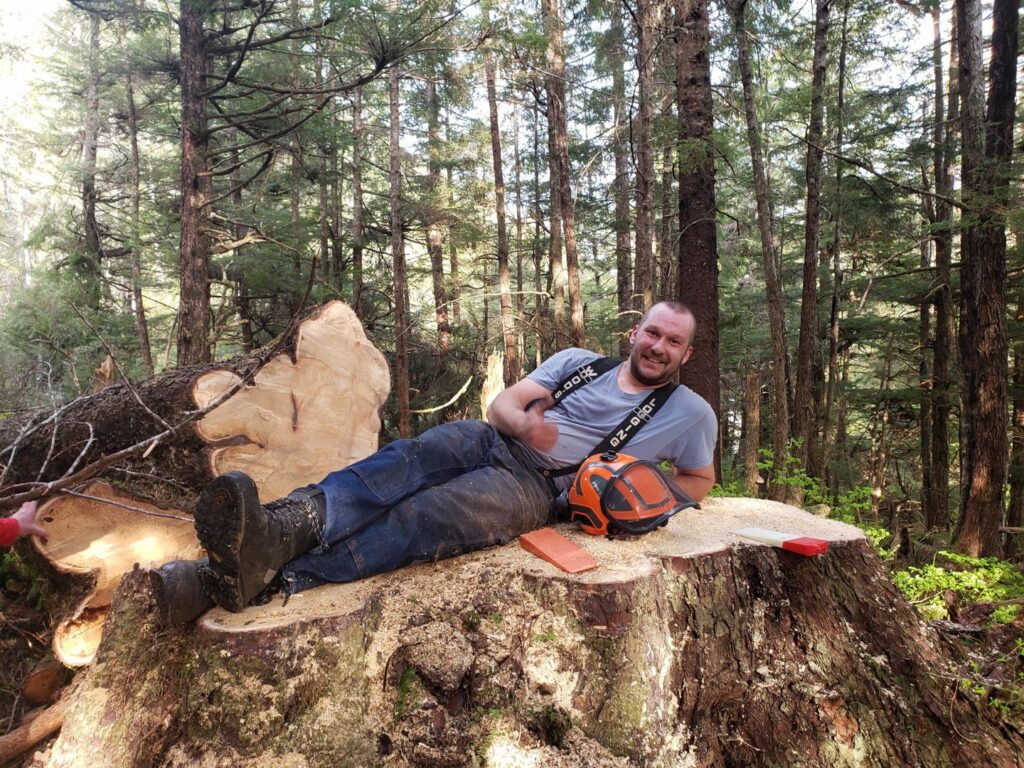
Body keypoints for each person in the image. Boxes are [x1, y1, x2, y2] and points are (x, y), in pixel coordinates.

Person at [151, 300, 717, 624]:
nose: (658, 346)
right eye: (653, 332)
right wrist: (525, 424)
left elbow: (699, 479)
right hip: (495, 441)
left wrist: (641, 496)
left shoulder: (690, 414)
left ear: (685, 353)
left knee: (426, 515)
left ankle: (256, 579)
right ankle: (281, 526)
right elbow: (502, 406)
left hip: (538, 492)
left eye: (673, 342)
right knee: (407, 459)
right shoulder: (578, 362)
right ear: (636, 331)